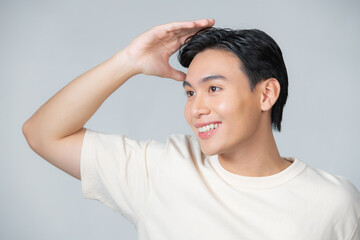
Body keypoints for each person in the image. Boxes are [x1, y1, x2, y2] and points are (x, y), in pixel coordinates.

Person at [23, 19, 360, 239]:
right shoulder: (161, 170)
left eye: (213, 89)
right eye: (190, 93)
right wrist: (128, 61)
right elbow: (42, 133)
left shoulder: (334, 203)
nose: (196, 109)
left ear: (266, 94)